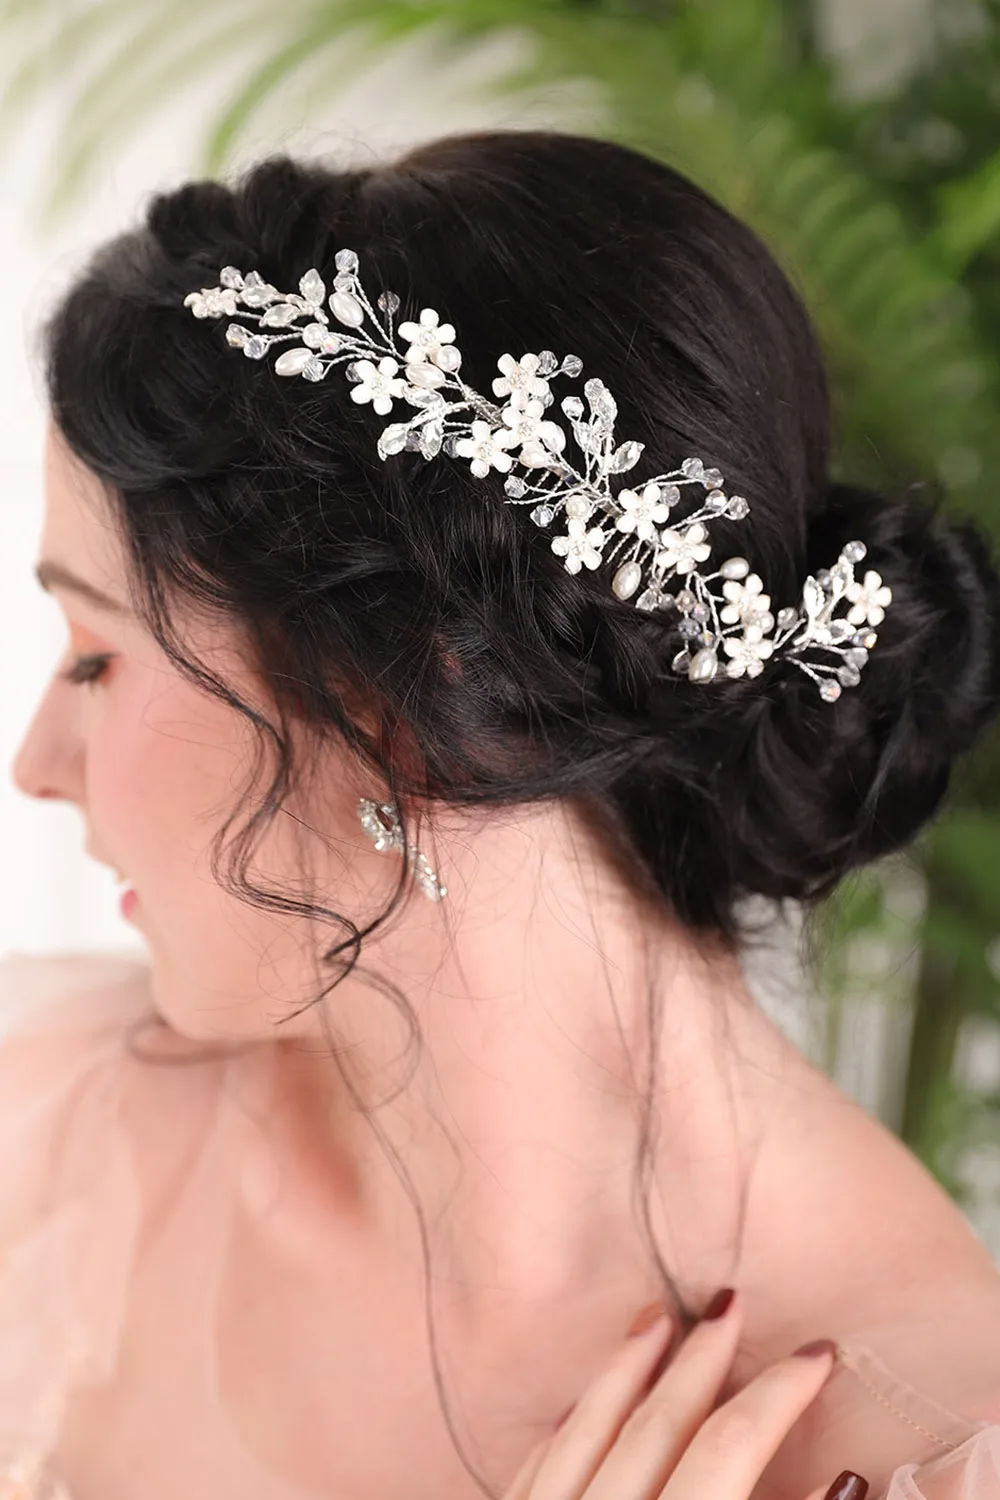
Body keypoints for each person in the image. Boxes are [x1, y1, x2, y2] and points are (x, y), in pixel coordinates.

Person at [2, 127, 999, 1500]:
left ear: (400, 697)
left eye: (96, 657)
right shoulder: (38, 1128)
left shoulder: (928, 1446)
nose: (34, 763)